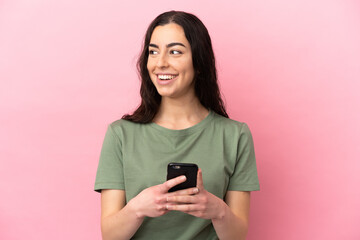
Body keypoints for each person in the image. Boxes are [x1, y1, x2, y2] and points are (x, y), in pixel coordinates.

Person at [94, 10, 260, 240]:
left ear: (199, 62)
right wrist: (138, 208)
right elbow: (110, 236)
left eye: (174, 52)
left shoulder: (235, 135)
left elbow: (238, 236)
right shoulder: (120, 134)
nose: (160, 63)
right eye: (153, 52)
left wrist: (217, 210)